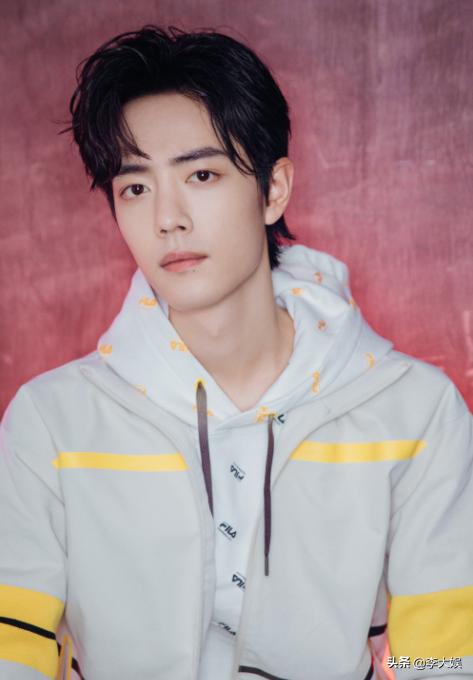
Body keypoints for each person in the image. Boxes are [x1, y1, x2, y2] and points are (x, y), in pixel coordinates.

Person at [0, 25, 472, 680]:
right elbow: (12, 646)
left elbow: (447, 658)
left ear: (273, 189)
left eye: (201, 174)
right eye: (135, 188)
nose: (167, 218)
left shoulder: (415, 412)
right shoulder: (51, 421)